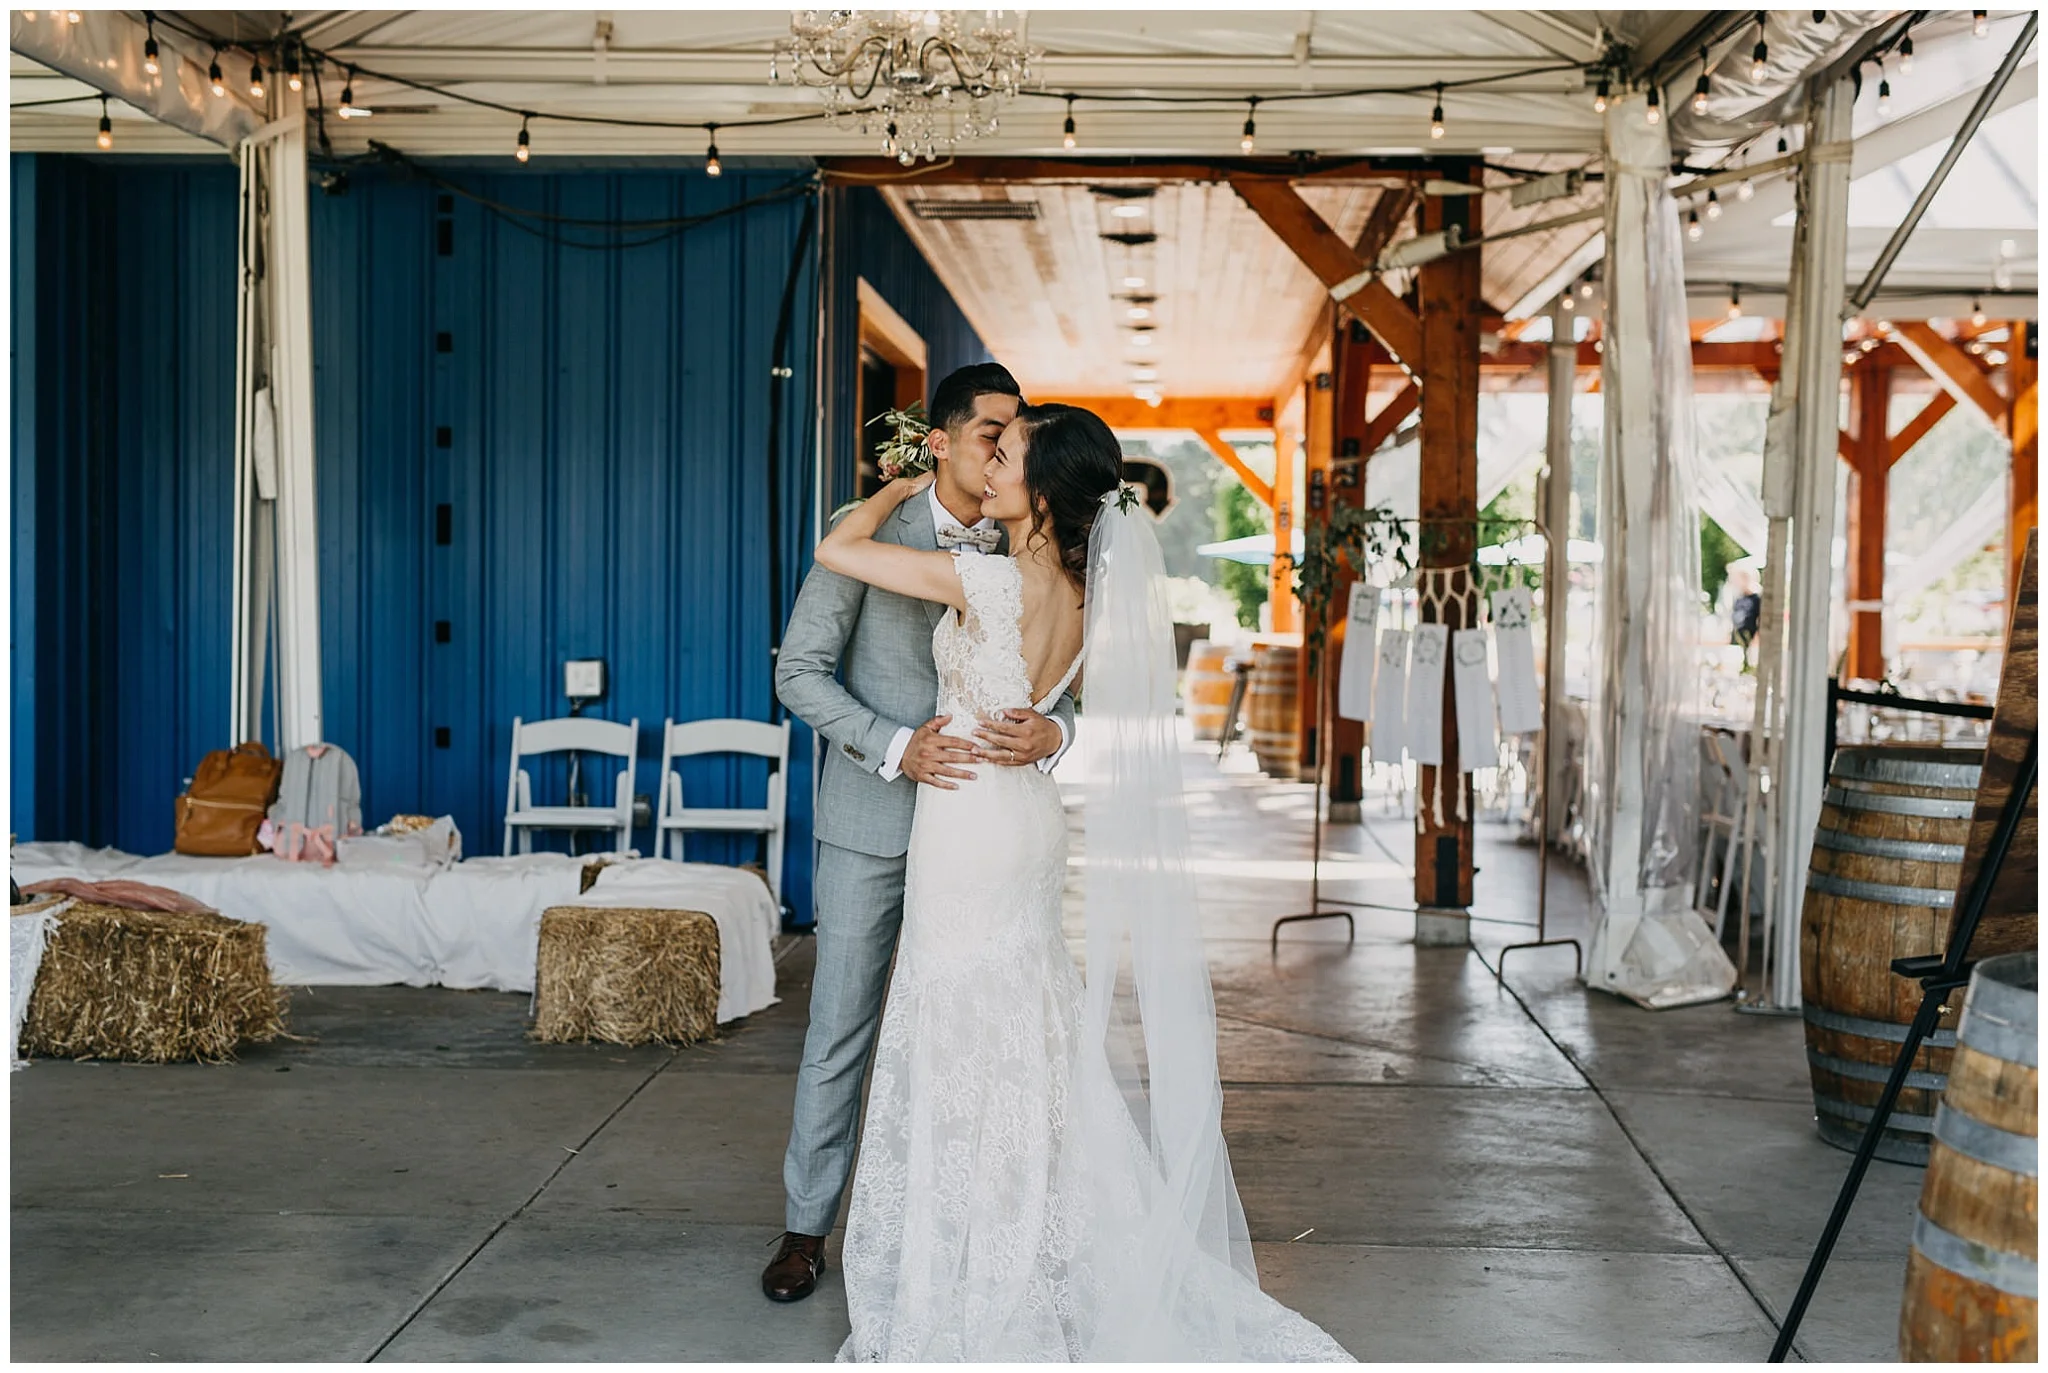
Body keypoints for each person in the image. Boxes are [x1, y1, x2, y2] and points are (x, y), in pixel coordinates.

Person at [807, 402, 1352, 1361]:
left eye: (1005, 456)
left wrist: (903, 482)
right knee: (1027, 1024)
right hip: (1024, 817)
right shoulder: (1090, 590)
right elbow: (1084, 699)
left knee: (963, 1021)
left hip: (968, 821)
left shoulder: (984, 577)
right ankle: (1029, 1229)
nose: (987, 467)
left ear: (1045, 488)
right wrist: (1055, 726)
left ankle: (978, 1252)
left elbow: (837, 547)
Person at [768, 363, 1077, 1304]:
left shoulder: (1029, 546)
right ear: (940, 441)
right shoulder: (873, 530)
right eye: (993, 432)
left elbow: (1069, 684)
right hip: (873, 819)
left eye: (1015, 438)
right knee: (843, 1027)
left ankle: (956, 1229)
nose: (1005, 448)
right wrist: (897, 746)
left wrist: (1056, 732)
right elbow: (799, 672)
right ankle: (805, 1228)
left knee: (976, 1031)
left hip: (981, 837)